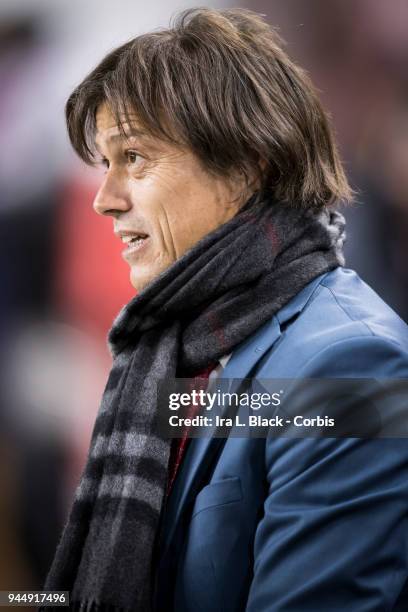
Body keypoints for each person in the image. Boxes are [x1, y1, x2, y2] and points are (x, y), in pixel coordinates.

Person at [42, 8, 408, 611]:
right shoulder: (173, 344)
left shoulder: (352, 365)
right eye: (103, 165)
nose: (104, 201)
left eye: (134, 157)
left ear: (246, 164)